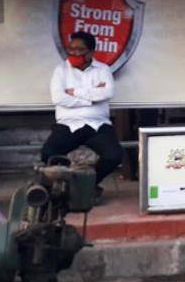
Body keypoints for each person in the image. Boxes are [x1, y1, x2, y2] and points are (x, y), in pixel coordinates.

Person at [41, 30, 124, 191]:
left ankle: (87, 187)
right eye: (71, 49)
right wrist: (92, 97)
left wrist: (74, 92)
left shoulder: (103, 69)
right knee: (48, 153)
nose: (74, 53)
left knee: (114, 156)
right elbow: (59, 99)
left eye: (79, 50)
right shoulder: (61, 70)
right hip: (68, 124)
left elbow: (107, 93)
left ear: (91, 52)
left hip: (98, 125)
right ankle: (63, 186)